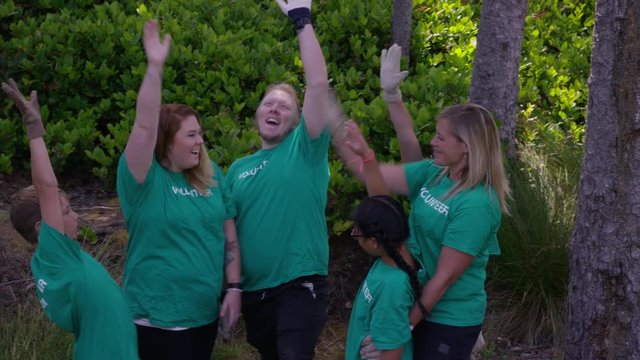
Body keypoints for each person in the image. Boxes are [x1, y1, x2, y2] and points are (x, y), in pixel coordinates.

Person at [339, 95, 510, 358]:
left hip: (448, 318)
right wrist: (366, 156)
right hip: (416, 299)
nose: (433, 142)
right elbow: (381, 204)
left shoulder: (476, 204)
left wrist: (401, 328)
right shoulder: (437, 172)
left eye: (441, 138)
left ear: (466, 146)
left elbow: (445, 278)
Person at [116, 20, 241, 360]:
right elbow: (144, 124)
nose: (200, 141)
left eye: (200, 133)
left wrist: (234, 287)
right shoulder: (143, 178)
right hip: (157, 319)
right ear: (167, 141)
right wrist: (155, 66)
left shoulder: (211, 174)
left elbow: (227, 230)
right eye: (191, 135)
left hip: (202, 314)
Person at [224, 0, 333, 358]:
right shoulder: (238, 169)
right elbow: (228, 235)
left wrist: (302, 20)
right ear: (256, 112)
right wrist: (231, 288)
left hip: (299, 287)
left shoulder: (305, 148)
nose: (274, 109)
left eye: (284, 107)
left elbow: (318, 85)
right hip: (256, 293)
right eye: (268, 103)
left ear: (296, 121)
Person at [3, 79, 138, 359]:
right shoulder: (55, 255)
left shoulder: (61, 263)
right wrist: (34, 130)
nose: (76, 216)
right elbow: (46, 188)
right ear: (42, 228)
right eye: (66, 211)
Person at [342, 120, 425, 360]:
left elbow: (393, 352)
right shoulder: (398, 255)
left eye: (358, 233)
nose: (355, 238)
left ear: (375, 242)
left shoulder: (392, 288)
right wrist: (367, 156)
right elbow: (382, 204)